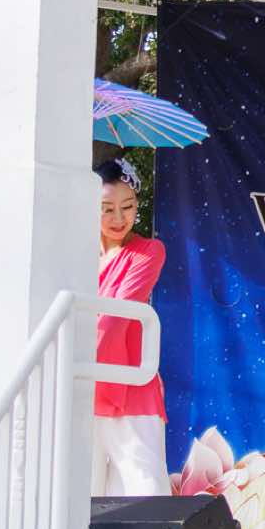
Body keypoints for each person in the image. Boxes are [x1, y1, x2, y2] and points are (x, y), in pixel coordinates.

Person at [93, 156, 170, 497]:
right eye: (106, 209)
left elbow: (117, 316)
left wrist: (83, 369)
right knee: (82, 493)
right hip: (84, 385)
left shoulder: (147, 251)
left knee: (143, 486)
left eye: (127, 207)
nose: (119, 218)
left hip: (129, 384)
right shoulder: (76, 257)